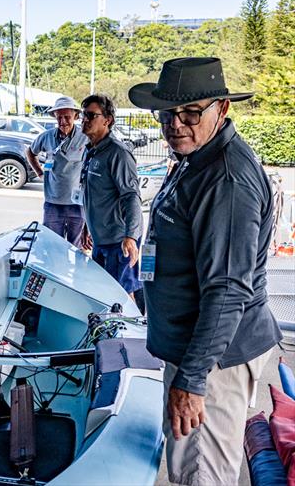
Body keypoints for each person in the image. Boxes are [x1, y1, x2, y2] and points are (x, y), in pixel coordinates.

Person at [128, 57, 282, 485]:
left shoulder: (226, 180)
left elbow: (229, 290)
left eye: (192, 113)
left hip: (213, 361)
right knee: (187, 466)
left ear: (223, 109)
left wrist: (193, 381)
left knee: (201, 472)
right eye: (167, 114)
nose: (176, 124)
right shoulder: (196, 157)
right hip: (193, 348)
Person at [78, 93, 143, 297]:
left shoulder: (118, 153)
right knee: (103, 293)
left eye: (91, 115)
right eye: (83, 115)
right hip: (100, 239)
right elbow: (94, 195)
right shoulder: (92, 150)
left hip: (119, 240)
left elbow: (131, 196)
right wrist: (86, 227)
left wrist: (130, 237)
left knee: (122, 294)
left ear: (108, 120)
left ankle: (133, 329)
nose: (84, 120)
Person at [27, 96, 89, 247]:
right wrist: (39, 173)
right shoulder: (46, 137)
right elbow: (30, 152)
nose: (63, 122)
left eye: (67, 117)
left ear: (75, 116)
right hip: (53, 204)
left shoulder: (85, 137)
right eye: (59, 117)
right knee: (52, 247)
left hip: (77, 204)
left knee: (76, 249)